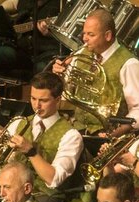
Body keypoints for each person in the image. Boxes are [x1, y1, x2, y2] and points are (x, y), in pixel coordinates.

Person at [0, 72, 83, 202]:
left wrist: (31, 152)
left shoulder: (71, 136)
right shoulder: (18, 123)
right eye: (33, 98)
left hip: (45, 196)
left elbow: (53, 179)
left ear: (58, 100)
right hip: (13, 192)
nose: (37, 105)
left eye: (43, 100)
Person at [52, 8, 139, 136]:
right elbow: (68, 93)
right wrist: (60, 77)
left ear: (108, 35)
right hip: (76, 128)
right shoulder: (81, 54)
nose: (85, 39)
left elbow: (138, 109)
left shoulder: (129, 64)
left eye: (91, 35)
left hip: (109, 135)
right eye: (84, 33)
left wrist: (116, 134)